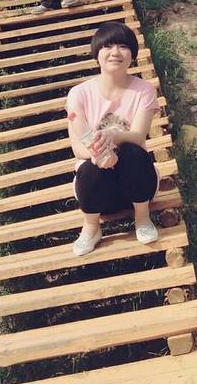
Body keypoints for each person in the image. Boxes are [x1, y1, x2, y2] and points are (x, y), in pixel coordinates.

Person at [66, 22, 160, 256]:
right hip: (96, 190)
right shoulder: (79, 93)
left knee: (132, 151)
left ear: (133, 55)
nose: (115, 52)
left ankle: (143, 218)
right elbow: (78, 148)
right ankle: (91, 227)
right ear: (97, 54)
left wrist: (113, 137)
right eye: (108, 46)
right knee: (88, 166)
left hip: (138, 186)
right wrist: (100, 154)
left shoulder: (144, 90)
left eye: (123, 46)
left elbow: (138, 136)